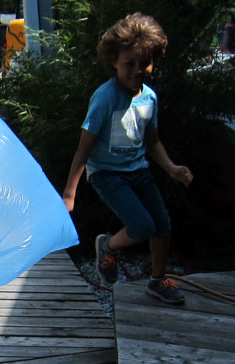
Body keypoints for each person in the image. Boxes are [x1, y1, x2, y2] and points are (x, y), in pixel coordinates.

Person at [61, 13, 193, 305]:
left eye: (144, 63)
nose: (137, 71)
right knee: (142, 226)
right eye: (129, 64)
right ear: (114, 62)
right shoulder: (105, 98)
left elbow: (152, 141)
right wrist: (70, 193)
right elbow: (83, 149)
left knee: (162, 224)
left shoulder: (149, 98)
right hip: (107, 174)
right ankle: (108, 246)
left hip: (139, 170)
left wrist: (171, 168)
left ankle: (157, 281)